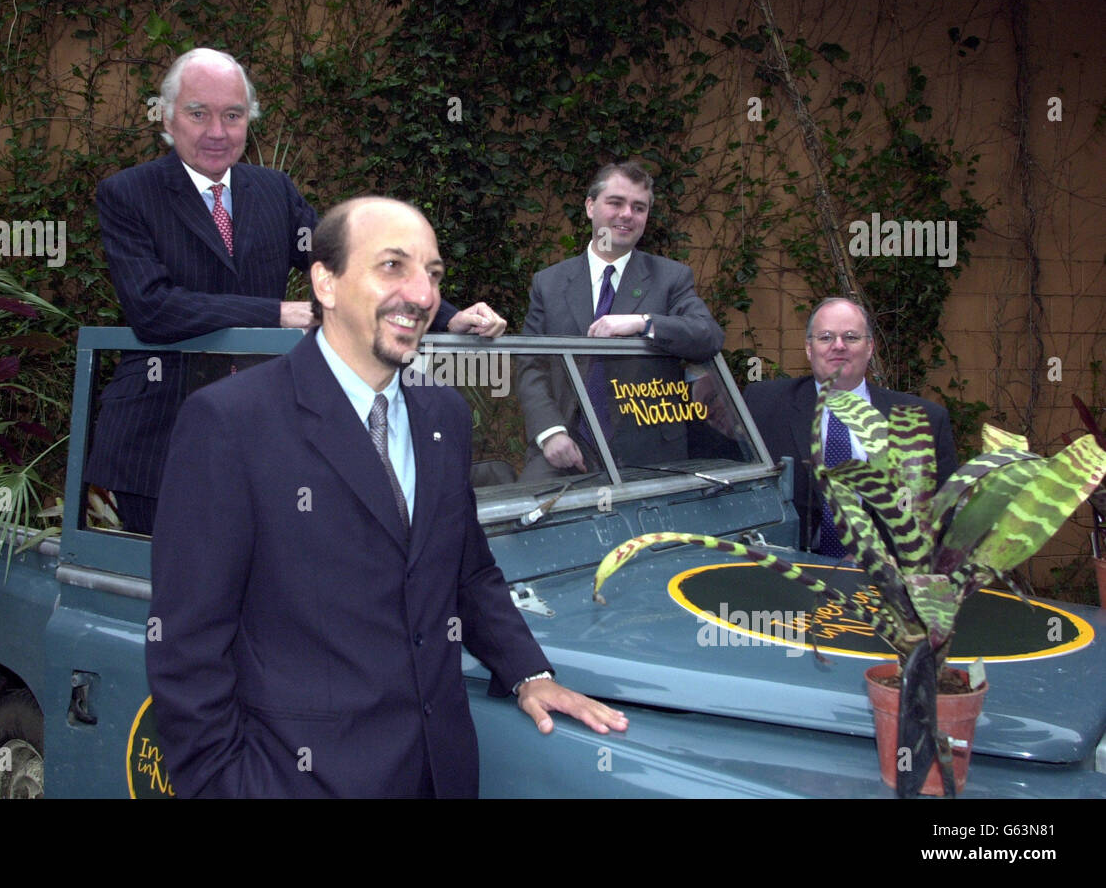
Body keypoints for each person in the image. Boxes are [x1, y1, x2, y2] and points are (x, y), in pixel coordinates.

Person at [146, 197, 628, 798]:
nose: (423, 295)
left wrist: (528, 671)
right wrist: (228, 784)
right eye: (393, 267)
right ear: (325, 281)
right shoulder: (231, 423)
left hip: (438, 772)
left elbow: (466, 569)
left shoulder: (444, 416)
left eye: (433, 274)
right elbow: (187, 644)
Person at [84, 48, 506, 534]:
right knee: (179, 594)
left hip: (266, 431)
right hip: (160, 434)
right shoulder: (127, 193)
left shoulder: (274, 190)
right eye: (199, 114)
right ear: (167, 116)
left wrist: (448, 316)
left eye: (233, 115)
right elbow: (151, 308)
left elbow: (348, 265)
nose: (217, 131)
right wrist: (276, 313)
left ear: (249, 120)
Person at [517, 161, 724, 479]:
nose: (627, 214)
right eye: (616, 203)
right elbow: (530, 364)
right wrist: (550, 432)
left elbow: (708, 335)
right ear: (590, 207)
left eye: (638, 207)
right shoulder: (549, 283)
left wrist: (644, 323)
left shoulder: (671, 278)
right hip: (566, 450)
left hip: (648, 453)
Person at [741, 297, 958, 556]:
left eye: (851, 337)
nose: (839, 346)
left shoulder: (923, 420)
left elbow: (942, 516)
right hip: (788, 573)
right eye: (826, 337)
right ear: (809, 348)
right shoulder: (761, 404)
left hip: (884, 581)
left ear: (870, 347)